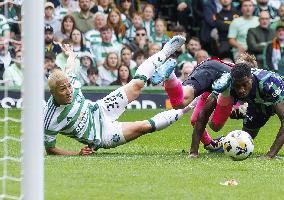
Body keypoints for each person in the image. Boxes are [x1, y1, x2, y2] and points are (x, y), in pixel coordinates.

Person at [44, 35, 190, 156]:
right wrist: (77, 153)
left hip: (100, 109)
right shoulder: (50, 119)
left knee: (136, 85)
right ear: (53, 93)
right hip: (102, 135)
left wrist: (70, 54)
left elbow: (69, 67)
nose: (69, 91)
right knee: (143, 127)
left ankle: (165, 51)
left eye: (69, 86)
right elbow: (50, 149)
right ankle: (186, 107)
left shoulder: (71, 81)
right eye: (63, 89)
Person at [189, 54, 284, 159]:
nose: (241, 90)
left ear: (251, 79)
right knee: (245, 138)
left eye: (244, 84)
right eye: (237, 86)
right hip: (258, 104)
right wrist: (193, 152)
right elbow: (203, 115)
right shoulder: (225, 84)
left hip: (278, 99)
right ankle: (223, 146)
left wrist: (270, 155)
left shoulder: (270, 84)